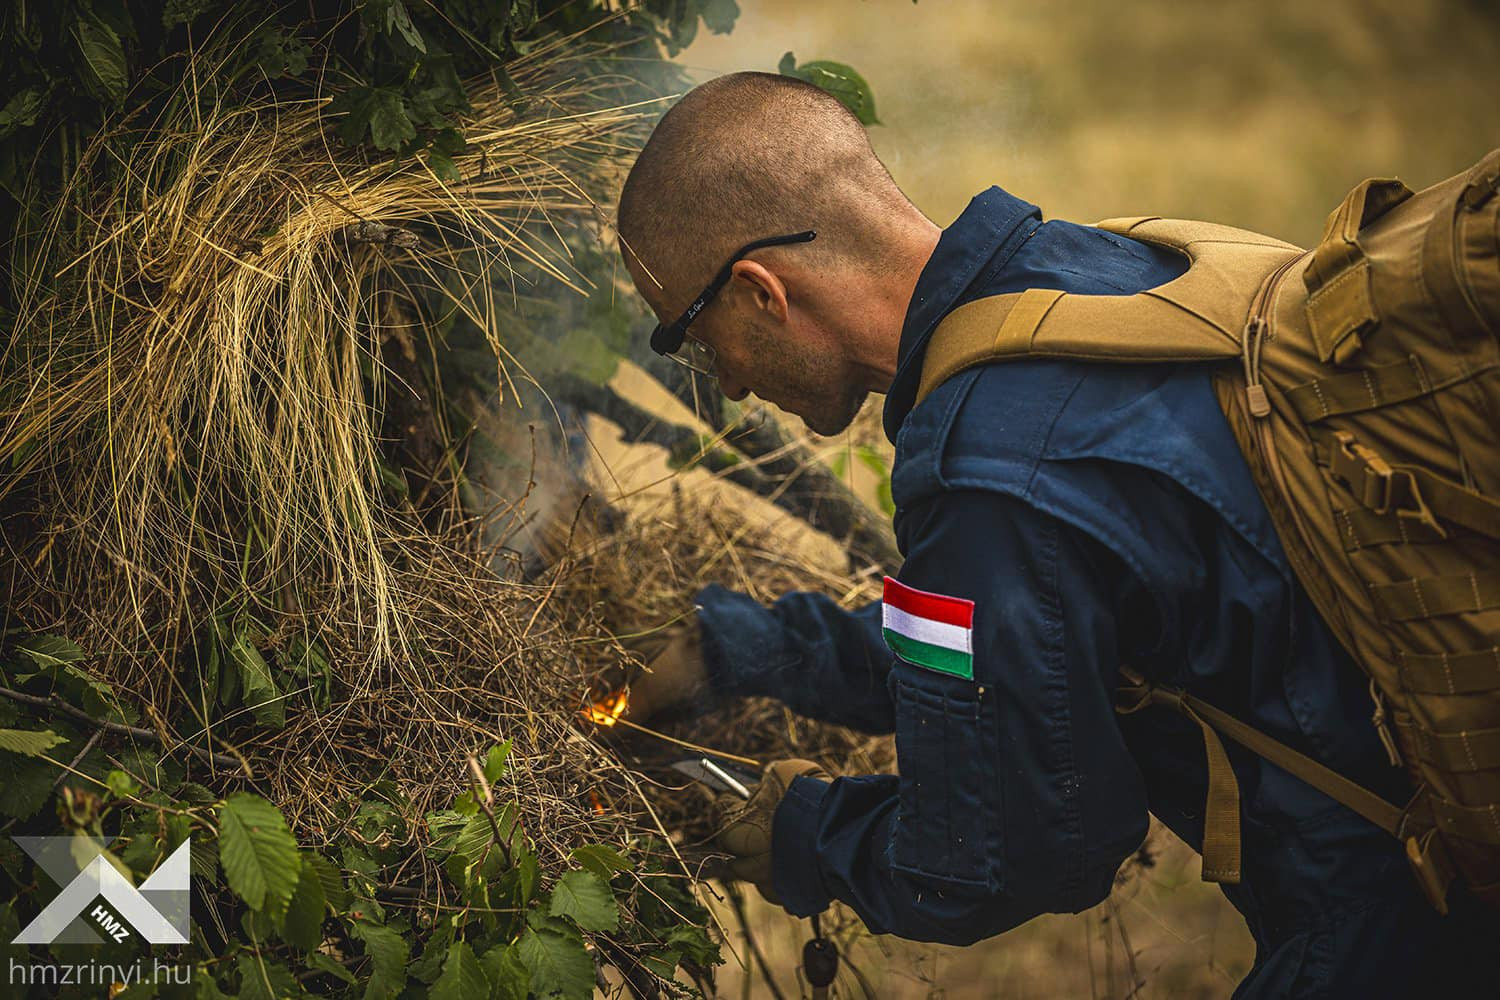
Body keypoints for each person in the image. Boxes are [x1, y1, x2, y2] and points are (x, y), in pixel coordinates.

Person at [613, 71, 1497, 996]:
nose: (734, 386)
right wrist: (741, 650)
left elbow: (1003, 856)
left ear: (761, 290)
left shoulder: (986, 470)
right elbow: (1011, 649)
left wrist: (790, 830)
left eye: (699, 344)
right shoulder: (1104, 273)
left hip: (1404, 910)